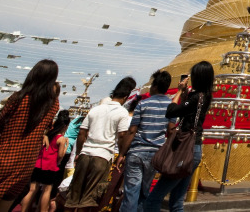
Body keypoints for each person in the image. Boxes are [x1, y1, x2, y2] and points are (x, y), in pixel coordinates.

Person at [0, 59, 60, 212]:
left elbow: (0, 123)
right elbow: (47, 126)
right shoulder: (53, 104)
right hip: (26, 161)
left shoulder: (19, 97)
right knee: (7, 198)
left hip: (4, 154)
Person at [144, 62, 214, 212]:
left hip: (184, 150)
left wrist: (178, 92)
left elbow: (171, 111)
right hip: (194, 149)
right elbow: (188, 112)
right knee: (176, 201)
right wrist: (185, 97)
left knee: (153, 200)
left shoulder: (196, 97)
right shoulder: (206, 96)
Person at [66, 77, 137, 211]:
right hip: (102, 157)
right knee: (89, 199)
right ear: (126, 97)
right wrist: (121, 154)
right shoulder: (122, 112)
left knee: (73, 198)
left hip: (85, 154)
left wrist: (78, 153)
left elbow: (82, 133)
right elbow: (122, 136)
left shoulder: (95, 110)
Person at [120, 70, 173, 212]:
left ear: (154, 87)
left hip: (137, 151)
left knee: (131, 191)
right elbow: (172, 130)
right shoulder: (171, 106)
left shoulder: (143, 104)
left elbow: (132, 131)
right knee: (145, 191)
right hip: (156, 153)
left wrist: (121, 154)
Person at [20, 110, 69, 212]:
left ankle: (23, 210)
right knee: (47, 190)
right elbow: (60, 155)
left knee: (32, 189)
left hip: (39, 163)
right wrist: (66, 146)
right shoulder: (61, 139)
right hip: (50, 166)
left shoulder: (49, 134)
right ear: (65, 126)